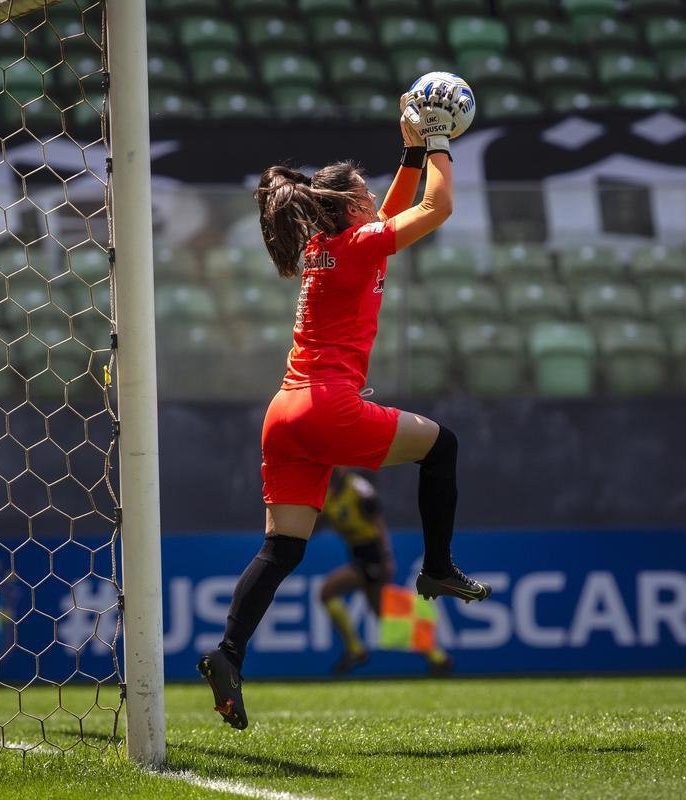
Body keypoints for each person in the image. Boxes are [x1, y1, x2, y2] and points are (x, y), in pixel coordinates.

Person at [198, 77, 490, 731]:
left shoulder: (323, 250)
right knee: (441, 446)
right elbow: (436, 209)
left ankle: (227, 653)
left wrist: (408, 150)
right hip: (330, 407)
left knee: (283, 549)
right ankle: (438, 569)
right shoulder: (359, 245)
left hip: (285, 414)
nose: (375, 199)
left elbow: (391, 208)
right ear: (350, 205)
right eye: (366, 192)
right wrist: (439, 141)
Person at [317, 467, 452, 677]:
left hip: (372, 554)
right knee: (384, 612)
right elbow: (319, 523)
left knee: (327, 591)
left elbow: (378, 521)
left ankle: (356, 650)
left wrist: (387, 557)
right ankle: (437, 656)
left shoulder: (358, 487)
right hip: (358, 554)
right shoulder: (327, 493)